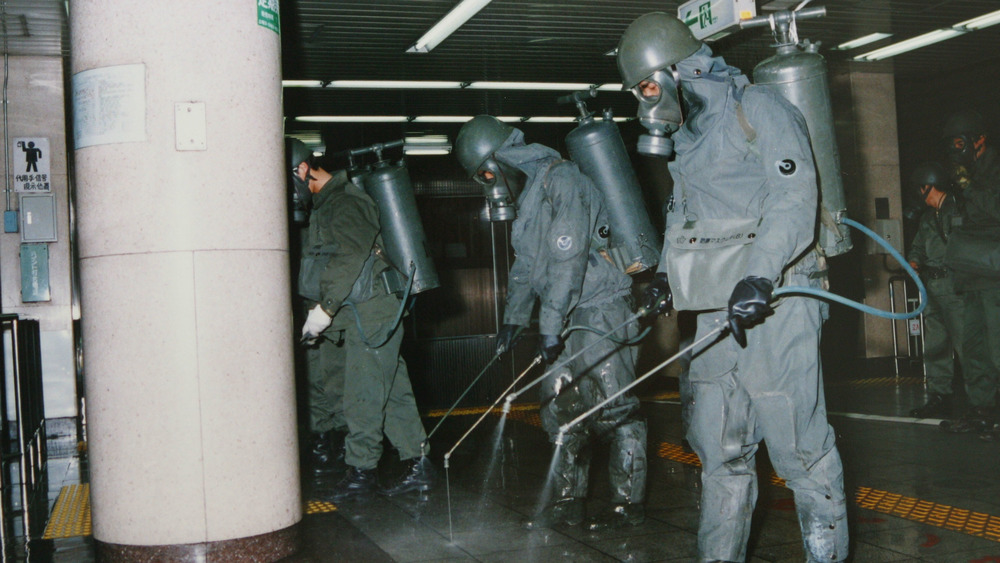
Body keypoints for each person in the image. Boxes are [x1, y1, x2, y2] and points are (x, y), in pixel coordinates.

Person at [617, 12, 848, 562]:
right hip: (718, 312)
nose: (645, 102)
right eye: (638, 92)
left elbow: (797, 203)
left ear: (680, 71)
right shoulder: (687, 140)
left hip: (780, 298)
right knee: (719, 451)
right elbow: (684, 221)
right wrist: (668, 283)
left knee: (801, 453)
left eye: (647, 86)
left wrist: (759, 275)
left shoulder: (760, 109)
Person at [455, 116, 648, 530]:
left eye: (488, 173)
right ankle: (567, 499)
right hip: (565, 316)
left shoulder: (562, 180)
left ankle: (626, 504)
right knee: (560, 409)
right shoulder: (529, 198)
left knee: (617, 409)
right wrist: (513, 319)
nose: (489, 182)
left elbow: (567, 261)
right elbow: (526, 266)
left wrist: (548, 325)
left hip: (602, 309)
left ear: (501, 157)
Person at [286, 138, 435, 500]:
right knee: (393, 390)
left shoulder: (346, 201)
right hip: (361, 311)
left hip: (371, 309)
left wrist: (324, 309)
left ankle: (361, 472)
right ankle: (419, 464)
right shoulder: (325, 205)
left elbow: (350, 257)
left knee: (363, 394)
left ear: (302, 170)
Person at [937, 110, 1000, 441]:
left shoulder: (991, 170)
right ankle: (982, 411)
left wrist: (968, 184)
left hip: (995, 273)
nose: (956, 151)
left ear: (979, 140)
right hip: (973, 272)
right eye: (952, 145)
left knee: (997, 347)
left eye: (961, 143)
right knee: (974, 348)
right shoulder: (965, 173)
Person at [906, 162, 965, 419]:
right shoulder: (929, 218)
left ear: (928, 186)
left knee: (967, 345)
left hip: (955, 288)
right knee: (936, 346)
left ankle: (981, 401)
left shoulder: (959, 209)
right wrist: (914, 261)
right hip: (932, 288)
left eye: (921, 189)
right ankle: (941, 396)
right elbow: (918, 246)